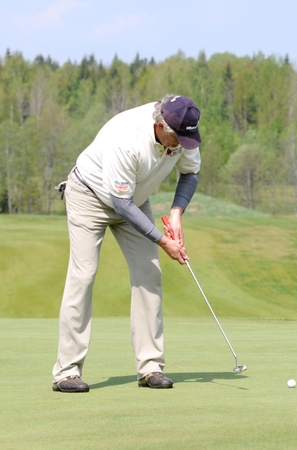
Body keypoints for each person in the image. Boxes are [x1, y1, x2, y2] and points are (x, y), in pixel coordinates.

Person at [52, 94, 202, 392]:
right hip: (89, 195)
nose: (181, 147)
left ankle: (150, 367)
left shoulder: (181, 129)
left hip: (134, 199)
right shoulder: (127, 138)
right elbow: (121, 205)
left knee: (149, 275)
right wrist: (163, 241)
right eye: (176, 140)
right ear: (160, 125)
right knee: (83, 275)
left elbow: (190, 173)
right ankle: (66, 372)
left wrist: (176, 214)